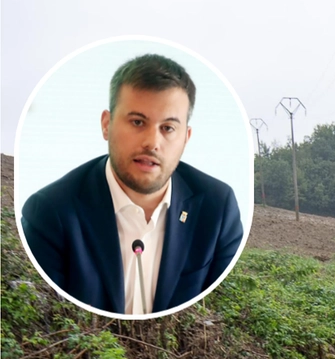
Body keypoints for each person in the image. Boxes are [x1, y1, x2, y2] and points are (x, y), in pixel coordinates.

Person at [20, 53, 244, 315]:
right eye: (137, 122)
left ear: (186, 137)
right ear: (107, 124)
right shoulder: (51, 213)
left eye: (168, 128)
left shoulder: (217, 209)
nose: (152, 142)